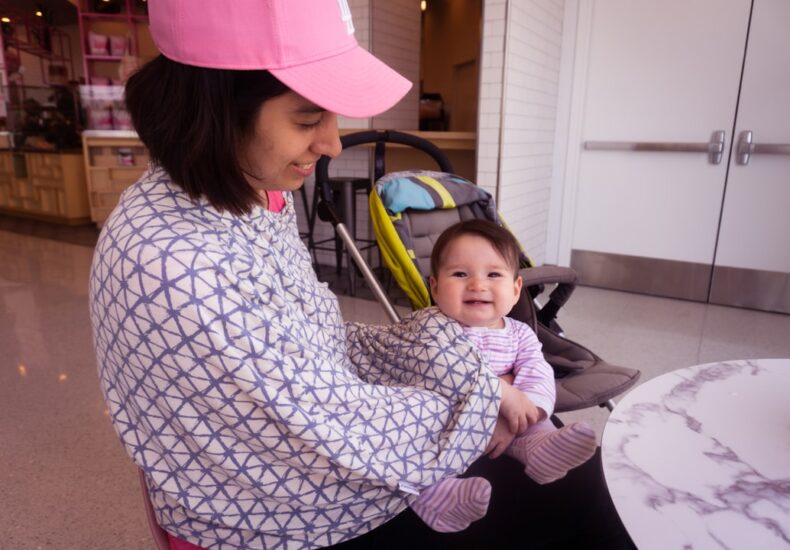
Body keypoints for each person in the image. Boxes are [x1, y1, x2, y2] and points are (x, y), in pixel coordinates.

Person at [89, 1, 634, 548]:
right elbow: (309, 431)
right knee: (568, 494)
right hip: (281, 510)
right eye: (308, 118)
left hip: (318, 435)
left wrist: (465, 374)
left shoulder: (250, 196)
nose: (330, 143)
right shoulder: (177, 266)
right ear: (210, 110)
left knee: (561, 466)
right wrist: (473, 413)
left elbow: (320, 339)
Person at [428, 219, 597, 483]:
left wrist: (522, 415)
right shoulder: (434, 327)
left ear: (516, 289)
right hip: (449, 420)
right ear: (435, 287)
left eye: (493, 274)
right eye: (461, 274)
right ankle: (442, 493)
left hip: (511, 416)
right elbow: (438, 370)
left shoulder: (520, 334)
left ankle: (540, 449)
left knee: (536, 421)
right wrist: (500, 390)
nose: (478, 285)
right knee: (420, 438)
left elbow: (537, 372)